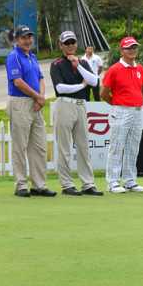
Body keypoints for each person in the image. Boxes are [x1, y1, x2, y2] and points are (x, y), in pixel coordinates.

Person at [49, 31, 103, 196]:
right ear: (61, 45)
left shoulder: (83, 63)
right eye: (67, 43)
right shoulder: (56, 64)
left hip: (81, 106)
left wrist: (77, 65)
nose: (70, 45)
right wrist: (81, 85)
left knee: (83, 146)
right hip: (64, 105)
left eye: (73, 42)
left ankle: (88, 184)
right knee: (64, 147)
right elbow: (60, 88)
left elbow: (94, 81)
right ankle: (67, 184)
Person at [6, 26, 55, 198]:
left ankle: (39, 185)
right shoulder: (14, 56)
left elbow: (41, 78)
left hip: (35, 102)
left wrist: (40, 97)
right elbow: (18, 82)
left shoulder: (32, 57)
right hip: (20, 102)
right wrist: (38, 97)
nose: (27, 41)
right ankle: (21, 185)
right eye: (23, 38)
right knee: (20, 146)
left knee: (39, 146)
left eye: (29, 37)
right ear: (17, 40)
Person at [101, 36, 143, 194]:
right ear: (122, 50)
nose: (132, 50)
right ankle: (113, 182)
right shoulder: (114, 69)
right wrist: (117, 103)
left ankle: (129, 181)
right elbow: (104, 93)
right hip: (120, 110)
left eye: (134, 47)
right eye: (129, 48)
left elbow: (141, 90)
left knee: (132, 147)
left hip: (137, 111)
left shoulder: (140, 69)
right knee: (117, 146)